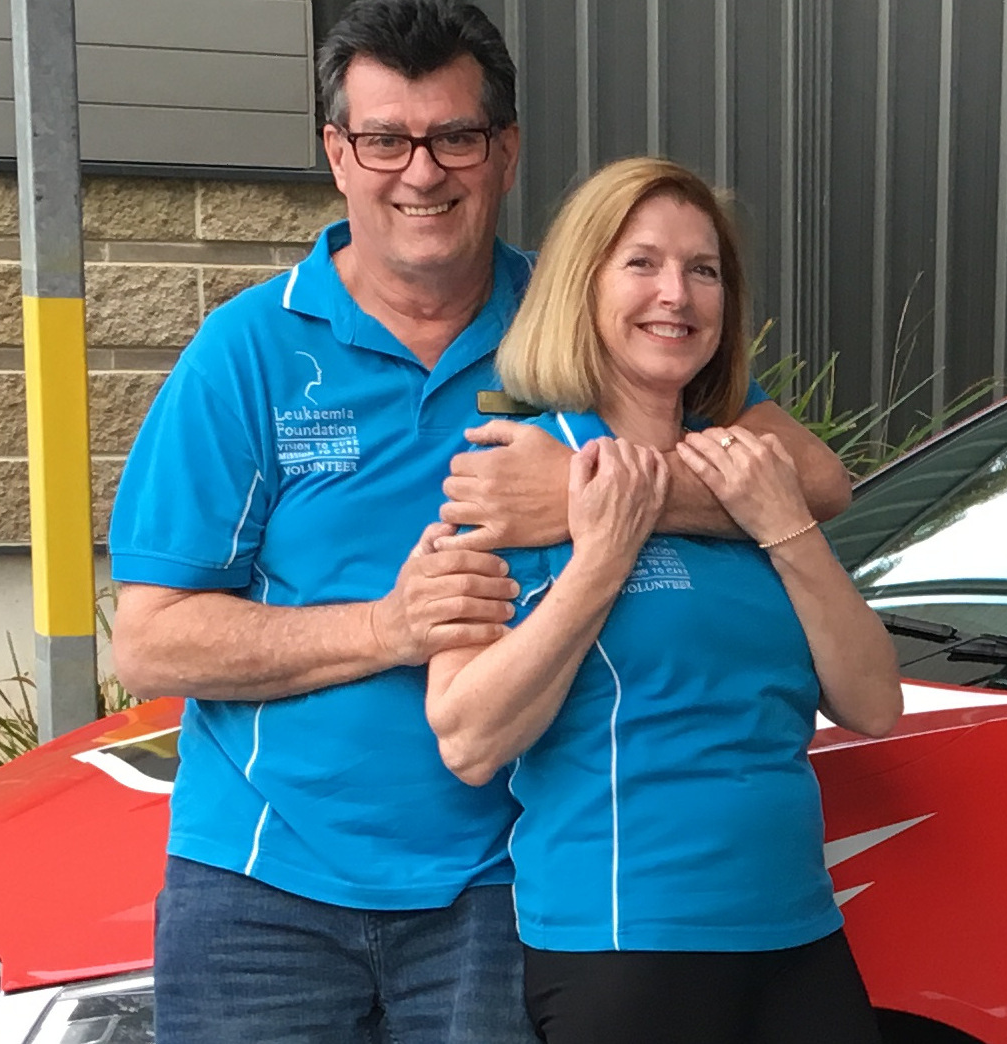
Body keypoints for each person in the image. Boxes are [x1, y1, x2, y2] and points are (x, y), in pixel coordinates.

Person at [106, 2, 853, 1040]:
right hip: (264, 887)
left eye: (455, 136)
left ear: (505, 152)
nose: (422, 172)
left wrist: (592, 495)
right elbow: (147, 637)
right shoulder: (249, 352)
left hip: (501, 883)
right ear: (338, 152)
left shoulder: (582, 317)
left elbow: (810, 479)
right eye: (385, 139)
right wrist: (385, 627)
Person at [425, 157, 904, 1044]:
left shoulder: (746, 467)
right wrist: (600, 557)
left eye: (703, 269)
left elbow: (873, 703)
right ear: (582, 287)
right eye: (640, 263)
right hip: (628, 943)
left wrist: (779, 522)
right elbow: (466, 737)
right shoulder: (510, 480)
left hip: (795, 926)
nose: (675, 294)